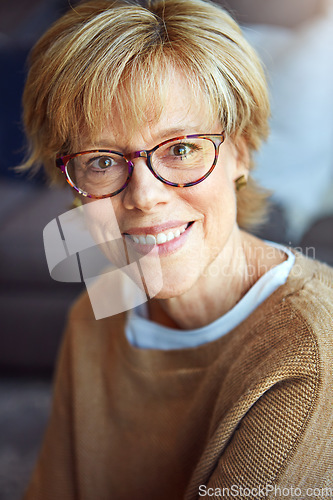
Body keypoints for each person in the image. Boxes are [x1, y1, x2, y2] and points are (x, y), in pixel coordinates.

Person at [22, 0, 333, 498]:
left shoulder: (310, 354)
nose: (144, 196)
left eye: (181, 148)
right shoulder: (94, 316)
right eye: (102, 160)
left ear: (242, 150)